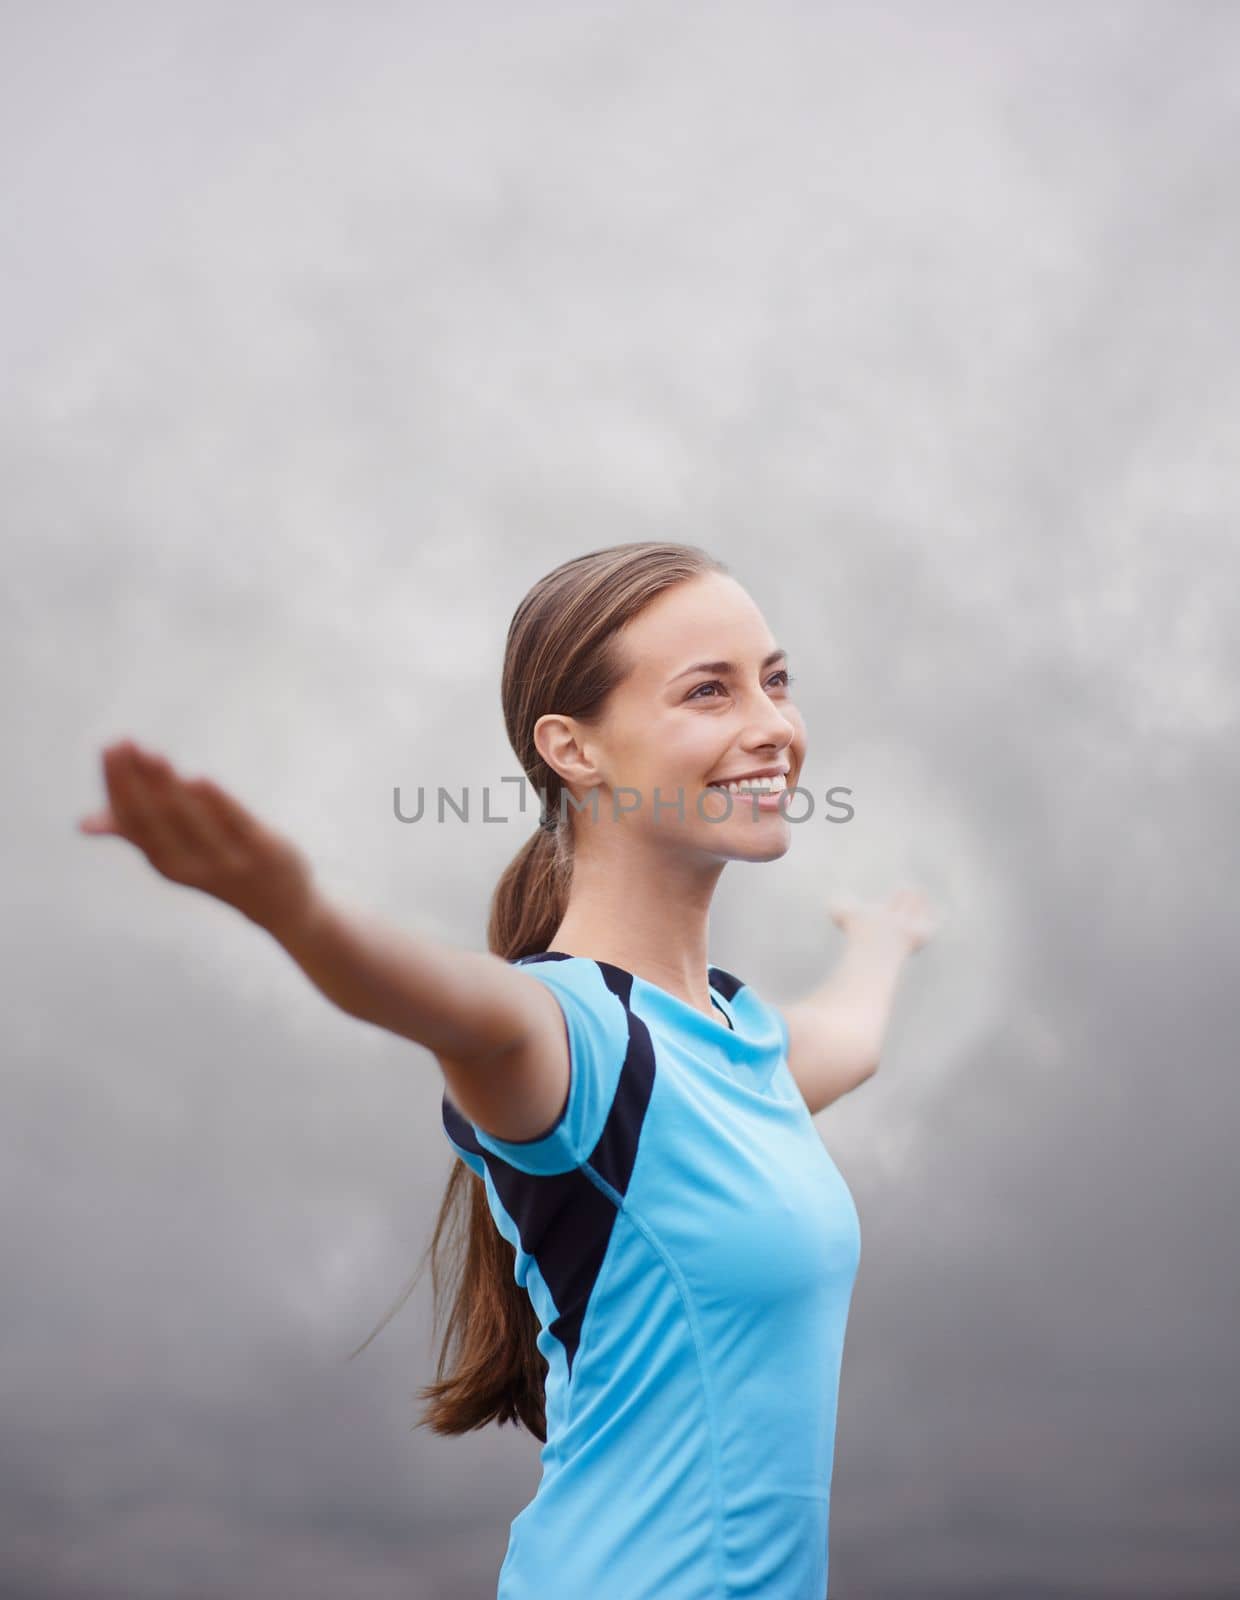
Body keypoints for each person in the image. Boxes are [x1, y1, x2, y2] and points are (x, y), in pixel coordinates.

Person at [78, 540, 935, 1598]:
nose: (772, 725)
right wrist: (293, 909)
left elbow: (850, 1036)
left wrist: (883, 938)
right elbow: (437, 995)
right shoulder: (565, 1034)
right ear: (572, 749)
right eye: (708, 691)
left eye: (775, 680)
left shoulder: (736, 1042)